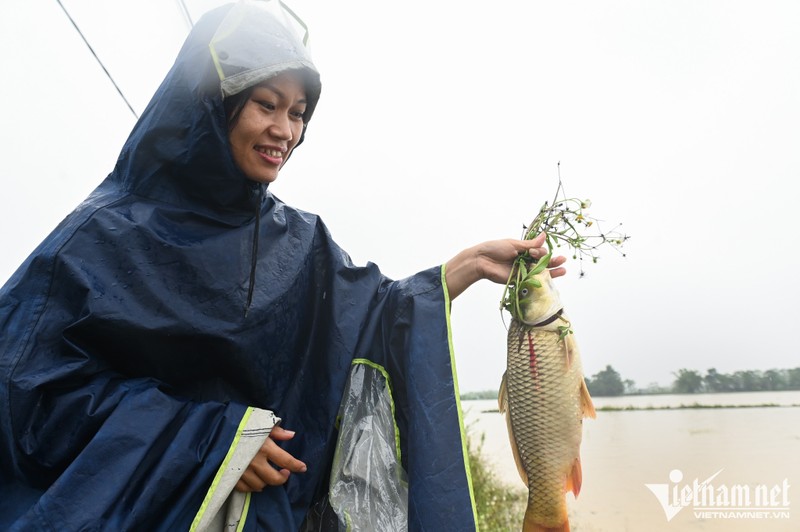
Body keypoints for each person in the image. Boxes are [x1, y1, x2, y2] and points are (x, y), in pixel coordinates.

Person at [0, 2, 565, 530]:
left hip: (277, 515)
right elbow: (29, 399)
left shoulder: (298, 240)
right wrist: (209, 440)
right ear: (210, 104)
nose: (285, 132)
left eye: (298, 114)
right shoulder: (100, 236)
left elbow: (363, 320)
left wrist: (457, 272)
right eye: (266, 105)